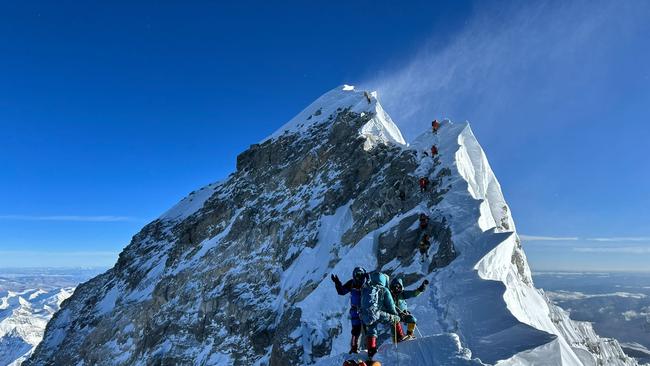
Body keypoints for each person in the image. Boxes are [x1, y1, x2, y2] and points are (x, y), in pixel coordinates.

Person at [360, 272, 400, 360]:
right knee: (395, 319)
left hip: (366, 316)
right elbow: (391, 307)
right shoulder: (384, 290)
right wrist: (396, 316)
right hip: (378, 314)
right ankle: (399, 337)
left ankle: (371, 351)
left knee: (371, 329)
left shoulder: (366, 289)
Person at [332, 267, 368, 353]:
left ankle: (370, 348)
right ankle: (354, 348)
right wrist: (337, 283)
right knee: (356, 330)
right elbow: (341, 291)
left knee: (368, 329)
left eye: (360, 274)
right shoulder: (352, 283)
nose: (359, 276)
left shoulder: (368, 283)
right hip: (356, 310)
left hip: (366, 310)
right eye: (357, 274)